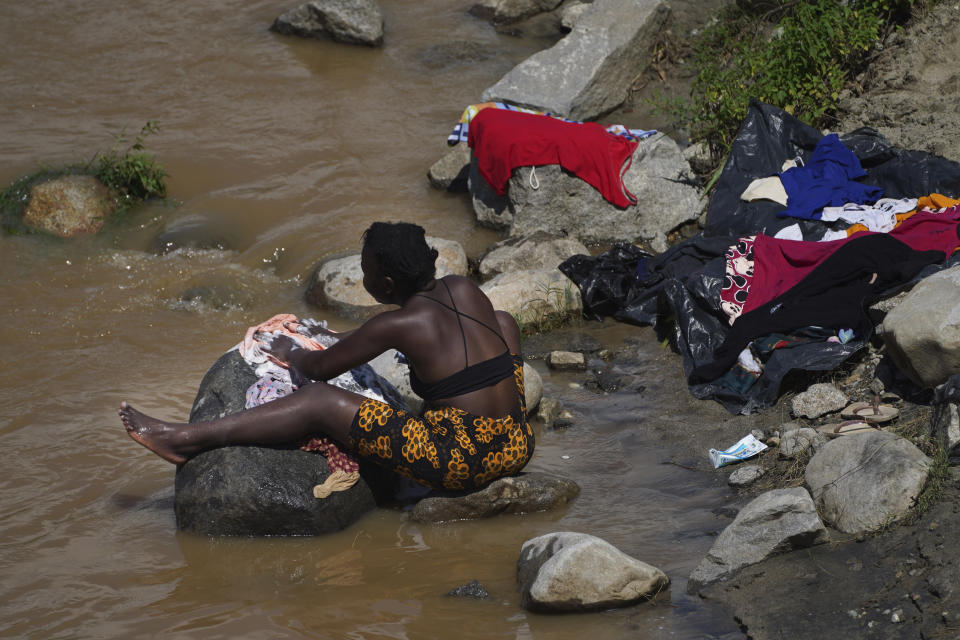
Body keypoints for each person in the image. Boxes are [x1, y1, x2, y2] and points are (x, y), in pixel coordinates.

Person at [119, 221, 534, 491]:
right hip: (517, 442)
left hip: (464, 461)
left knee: (317, 401)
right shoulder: (463, 287)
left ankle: (185, 441)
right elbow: (433, 331)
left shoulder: (396, 326)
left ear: (386, 284)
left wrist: (291, 350)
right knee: (502, 320)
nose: (364, 276)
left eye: (366, 271)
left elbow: (319, 369)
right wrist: (344, 335)